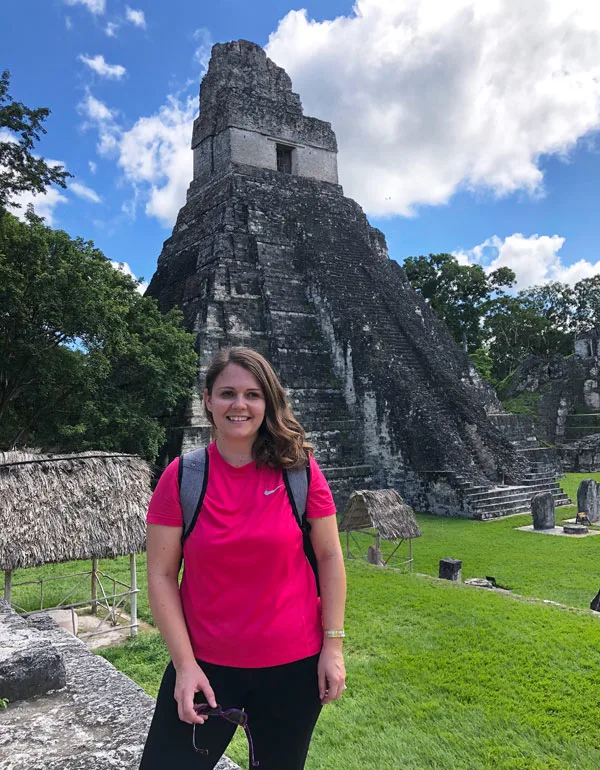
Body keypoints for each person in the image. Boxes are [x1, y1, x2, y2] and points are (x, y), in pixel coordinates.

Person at [139, 346, 347, 770]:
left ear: (267, 402)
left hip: (294, 667)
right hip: (206, 666)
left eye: (253, 394)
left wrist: (333, 646)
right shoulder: (182, 478)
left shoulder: (300, 472)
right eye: (227, 393)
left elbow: (328, 556)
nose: (240, 405)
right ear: (207, 401)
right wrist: (184, 665)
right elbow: (160, 575)